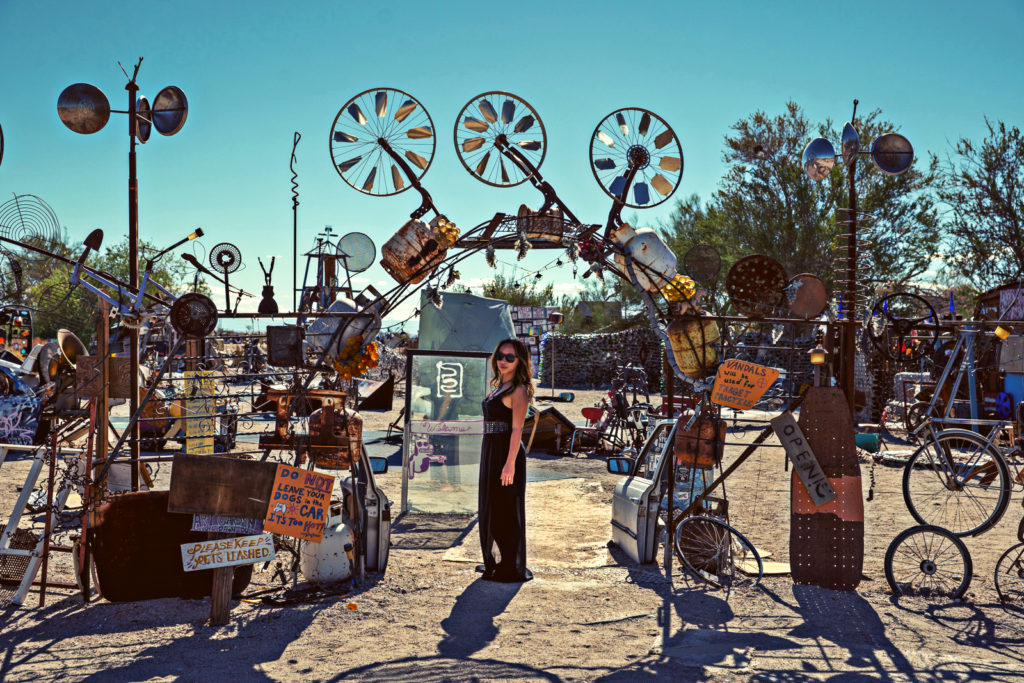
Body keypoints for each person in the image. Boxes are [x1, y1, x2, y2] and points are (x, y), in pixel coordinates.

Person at [477, 338, 533, 582]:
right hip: (491, 450)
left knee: (504, 511)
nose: (503, 360)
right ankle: (498, 560)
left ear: (519, 360)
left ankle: (510, 565)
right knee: (491, 507)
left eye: (510, 357)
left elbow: (517, 430)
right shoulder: (499, 385)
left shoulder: (519, 389)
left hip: (505, 454)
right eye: (500, 355)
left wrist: (509, 463)